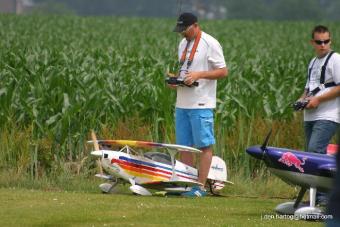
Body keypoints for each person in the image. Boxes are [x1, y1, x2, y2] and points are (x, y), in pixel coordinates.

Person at [170, 12, 228, 197]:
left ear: (195, 25)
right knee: (184, 147)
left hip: (201, 103)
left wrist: (199, 75)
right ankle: (186, 185)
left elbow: (223, 71)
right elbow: (186, 69)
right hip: (182, 103)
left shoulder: (210, 43)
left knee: (204, 146)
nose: (182, 34)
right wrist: (176, 80)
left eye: (184, 30)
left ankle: (200, 187)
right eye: (180, 30)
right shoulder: (182, 43)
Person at [296, 25, 340, 205]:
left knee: (316, 152)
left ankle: (323, 198)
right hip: (311, 116)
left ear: (330, 41)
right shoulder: (313, 62)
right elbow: (309, 88)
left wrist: (318, 101)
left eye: (326, 41)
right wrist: (302, 100)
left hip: (329, 115)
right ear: (312, 42)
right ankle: (315, 196)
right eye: (319, 42)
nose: (323, 45)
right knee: (310, 156)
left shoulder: (336, 59)